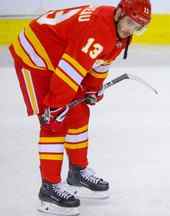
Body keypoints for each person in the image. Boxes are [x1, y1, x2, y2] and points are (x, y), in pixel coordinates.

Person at [9, 0, 151, 215]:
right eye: (129, 23)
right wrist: (56, 105)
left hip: (59, 52)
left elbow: (100, 63)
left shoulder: (117, 31)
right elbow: (69, 70)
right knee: (53, 122)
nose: (130, 30)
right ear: (120, 12)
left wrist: (93, 89)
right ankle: (49, 187)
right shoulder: (97, 31)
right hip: (35, 56)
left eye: (137, 27)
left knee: (78, 113)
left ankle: (77, 172)